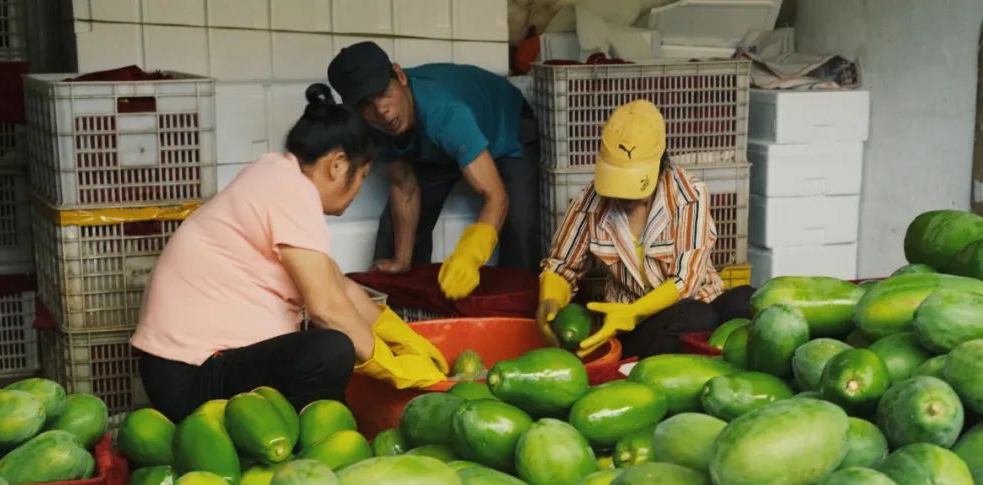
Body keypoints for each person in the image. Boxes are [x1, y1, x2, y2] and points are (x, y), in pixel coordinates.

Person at [131, 84, 448, 422]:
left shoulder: (277, 173)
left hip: (196, 368)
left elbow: (338, 287)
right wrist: (392, 367)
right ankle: (285, 446)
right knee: (331, 351)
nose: (358, 190)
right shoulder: (290, 189)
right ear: (338, 165)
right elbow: (328, 310)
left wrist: (403, 338)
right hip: (191, 377)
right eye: (363, 177)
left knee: (335, 354)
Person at [536, 99, 753, 359]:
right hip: (635, 327)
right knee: (694, 318)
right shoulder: (589, 203)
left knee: (746, 301)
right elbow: (562, 266)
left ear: (661, 164)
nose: (623, 195)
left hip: (698, 302)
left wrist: (635, 311)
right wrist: (550, 299)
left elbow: (687, 280)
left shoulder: (688, 195)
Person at [327, 41, 541, 300]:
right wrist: (401, 260)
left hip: (505, 126)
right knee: (395, 231)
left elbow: (496, 196)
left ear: (400, 75)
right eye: (365, 104)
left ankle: (514, 314)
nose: (381, 111)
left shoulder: (445, 112)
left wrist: (471, 254)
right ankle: (403, 310)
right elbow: (403, 185)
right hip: (441, 144)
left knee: (520, 228)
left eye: (384, 92)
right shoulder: (374, 124)